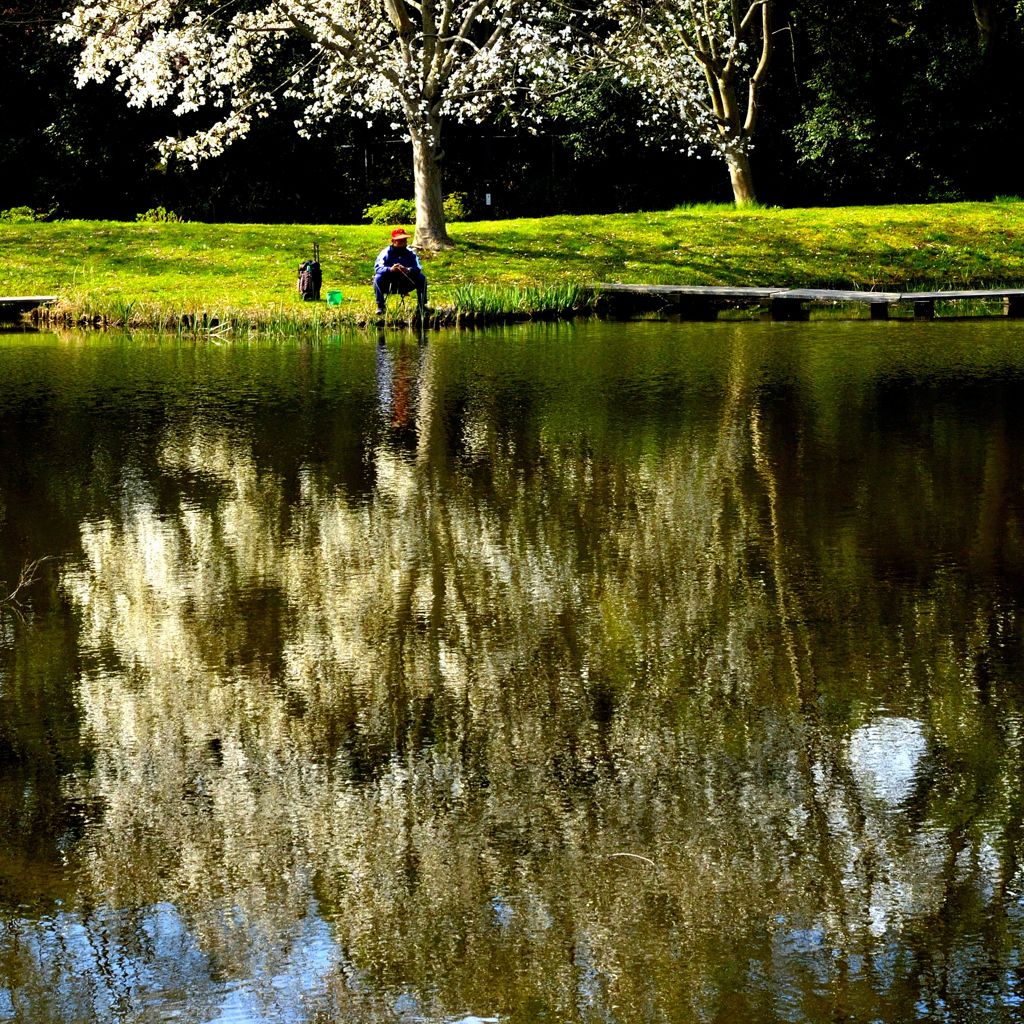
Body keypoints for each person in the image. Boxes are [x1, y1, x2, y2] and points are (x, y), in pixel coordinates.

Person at [373, 227, 428, 315]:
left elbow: (418, 268)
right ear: (393, 241)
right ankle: (381, 307)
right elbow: (377, 268)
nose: (403, 242)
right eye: (399, 240)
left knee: (422, 278)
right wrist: (390, 269)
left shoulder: (411, 252)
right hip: (389, 285)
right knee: (377, 278)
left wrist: (407, 270)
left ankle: (422, 306)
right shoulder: (385, 253)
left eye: (404, 240)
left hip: (406, 283)